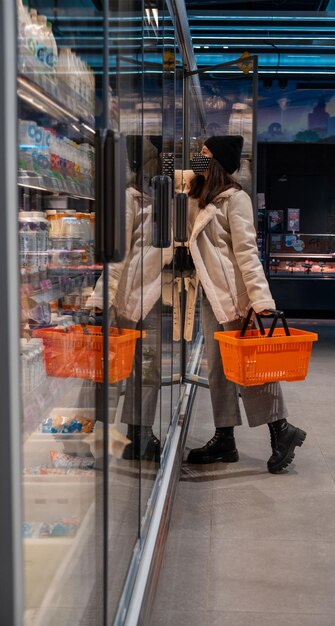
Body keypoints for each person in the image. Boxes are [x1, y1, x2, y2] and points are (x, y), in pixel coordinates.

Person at [179, 135, 306, 473]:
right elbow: (171, 179)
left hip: (235, 299)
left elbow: (248, 254)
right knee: (218, 370)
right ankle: (224, 438)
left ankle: (282, 430)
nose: (198, 158)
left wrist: (261, 300)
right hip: (209, 295)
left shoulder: (236, 199)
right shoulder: (199, 194)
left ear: (218, 161)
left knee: (251, 369)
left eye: (204, 154)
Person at [87, 136, 171, 462]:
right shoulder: (129, 199)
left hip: (151, 298)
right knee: (113, 370)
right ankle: (99, 437)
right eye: (156, 159)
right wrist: (101, 297)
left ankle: (140, 432)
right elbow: (116, 255)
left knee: (148, 370)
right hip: (125, 299)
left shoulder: (159, 198)